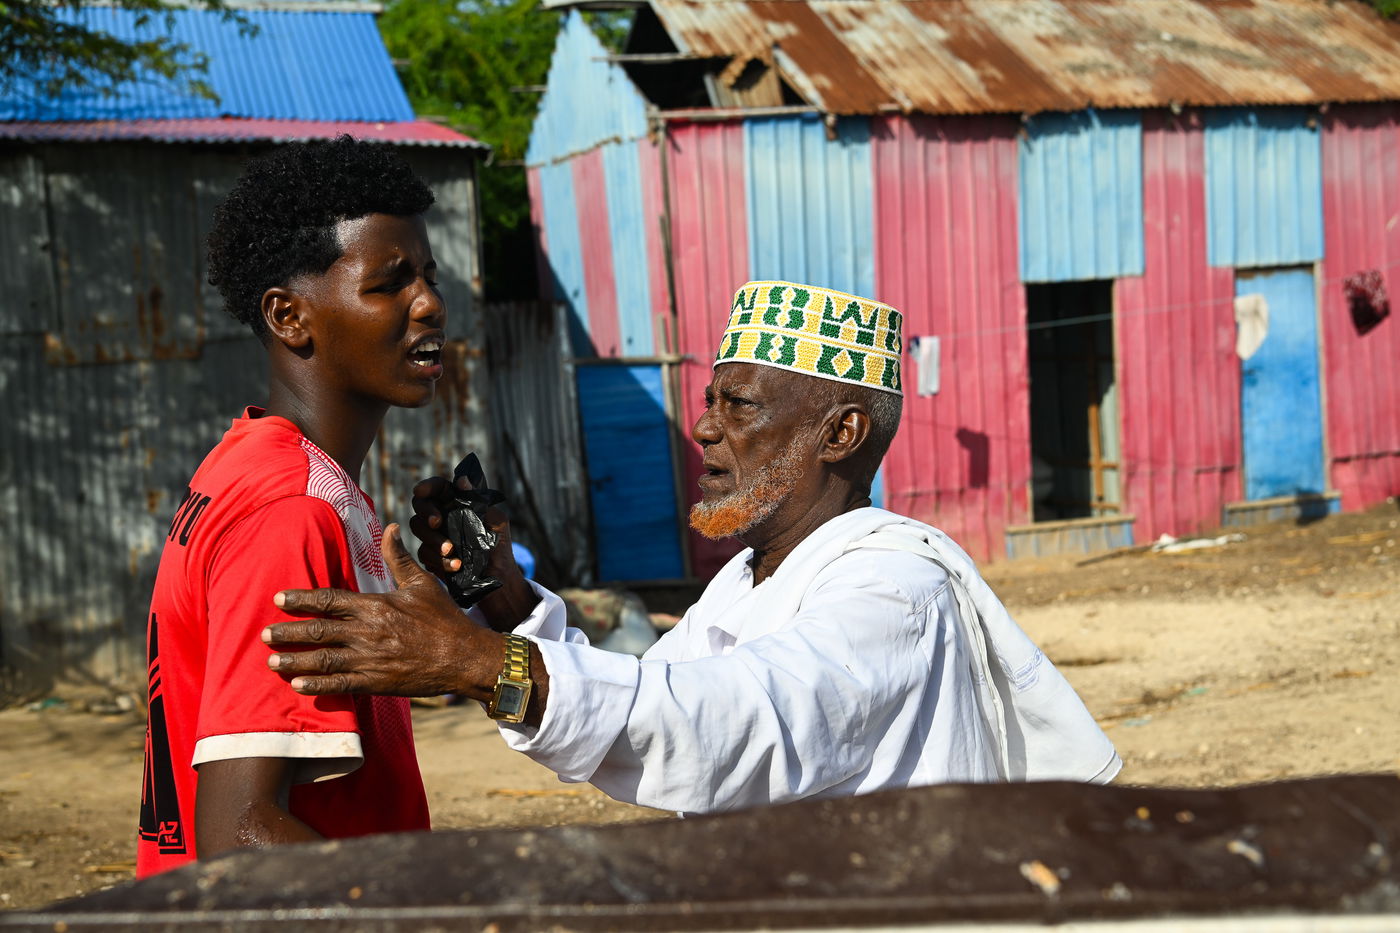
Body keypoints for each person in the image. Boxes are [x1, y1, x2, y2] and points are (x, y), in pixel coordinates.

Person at [264, 281, 1121, 815]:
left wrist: (480, 663)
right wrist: (505, 602)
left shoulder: (894, 587)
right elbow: (651, 706)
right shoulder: (754, 581)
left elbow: (726, 725)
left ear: (841, 431)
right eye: (710, 400)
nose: (705, 427)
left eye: (740, 406)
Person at [136, 137, 469, 875]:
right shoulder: (289, 509)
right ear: (290, 316)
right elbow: (238, 835)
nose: (431, 302)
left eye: (429, 275)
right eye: (389, 283)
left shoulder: (258, 465)